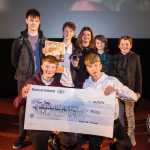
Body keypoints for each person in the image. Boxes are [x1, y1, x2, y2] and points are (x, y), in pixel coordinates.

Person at [14, 55, 77, 150]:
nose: (49, 70)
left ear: (56, 69)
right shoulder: (32, 82)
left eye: (52, 67)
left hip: (53, 121)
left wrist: (59, 124)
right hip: (38, 123)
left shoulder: (58, 85)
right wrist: (23, 95)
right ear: (42, 67)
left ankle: (54, 139)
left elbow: (63, 107)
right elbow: (16, 104)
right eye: (47, 66)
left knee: (71, 140)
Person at [83, 53, 139, 150]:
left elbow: (134, 97)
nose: (93, 69)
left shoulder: (112, 81)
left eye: (96, 65)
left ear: (101, 66)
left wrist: (117, 91)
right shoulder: (86, 84)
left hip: (112, 121)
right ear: (87, 69)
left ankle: (112, 147)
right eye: (90, 66)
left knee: (127, 145)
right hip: (96, 122)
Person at [11, 9, 48, 149]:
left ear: (39, 22)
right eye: (31, 20)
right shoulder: (19, 40)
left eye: (36, 20)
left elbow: (50, 60)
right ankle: (21, 135)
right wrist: (23, 72)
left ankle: (39, 134)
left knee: (41, 107)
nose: (34, 23)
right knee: (23, 108)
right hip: (24, 79)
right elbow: (14, 60)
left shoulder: (45, 41)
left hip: (41, 79)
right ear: (26, 21)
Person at [43, 21, 79, 149]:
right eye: (66, 30)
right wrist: (46, 53)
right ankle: (54, 136)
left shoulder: (76, 49)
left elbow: (79, 67)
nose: (68, 33)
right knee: (57, 110)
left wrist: (77, 65)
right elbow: (48, 63)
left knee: (68, 112)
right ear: (62, 32)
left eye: (70, 31)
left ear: (73, 33)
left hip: (72, 84)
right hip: (59, 83)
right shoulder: (54, 46)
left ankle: (63, 136)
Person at [112, 35, 142, 146]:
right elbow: (112, 75)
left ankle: (131, 134)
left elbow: (139, 75)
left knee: (130, 114)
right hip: (118, 90)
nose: (125, 46)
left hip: (130, 90)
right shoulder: (114, 57)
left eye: (127, 44)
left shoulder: (136, 57)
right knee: (119, 114)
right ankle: (121, 136)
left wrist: (138, 91)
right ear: (119, 46)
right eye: (122, 44)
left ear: (131, 46)